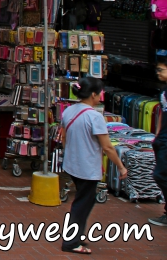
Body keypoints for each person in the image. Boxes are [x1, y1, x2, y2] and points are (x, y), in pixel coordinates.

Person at [60, 76, 127, 254]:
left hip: (72, 164)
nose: (101, 96)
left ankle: (78, 233)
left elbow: (64, 137)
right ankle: (71, 242)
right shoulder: (94, 117)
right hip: (87, 167)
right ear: (93, 94)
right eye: (100, 93)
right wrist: (121, 167)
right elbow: (107, 147)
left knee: (83, 201)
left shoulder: (68, 111)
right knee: (83, 203)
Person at [150, 56, 167, 227]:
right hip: (162, 138)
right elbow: (162, 113)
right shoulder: (164, 91)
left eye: (161, 69)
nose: (158, 73)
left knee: (160, 174)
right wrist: (157, 134)